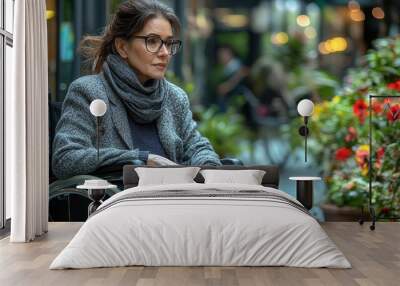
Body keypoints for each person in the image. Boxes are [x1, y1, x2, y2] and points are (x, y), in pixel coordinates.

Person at [52, 0, 221, 179]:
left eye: (169, 43)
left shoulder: (174, 97)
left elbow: (198, 147)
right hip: (118, 203)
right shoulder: (89, 92)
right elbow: (66, 159)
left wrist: (209, 169)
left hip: (173, 202)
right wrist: (140, 159)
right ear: (123, 47)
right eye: (153, 41)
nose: (164, 52)